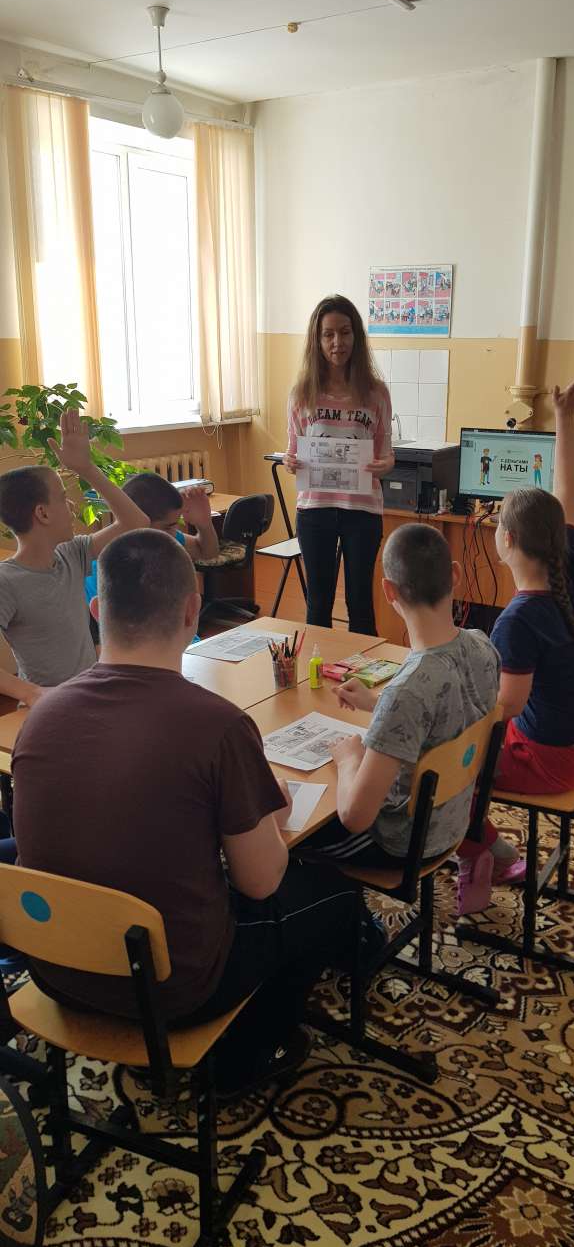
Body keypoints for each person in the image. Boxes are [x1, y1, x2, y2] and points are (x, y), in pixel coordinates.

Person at [12, 529, 372, 1097]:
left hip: (55, 972)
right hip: (173, 991)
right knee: (334, 894)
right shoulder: (217, 726)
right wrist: (272, 818)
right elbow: (260, 882)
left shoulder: (41, 717)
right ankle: (251, 1050)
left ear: (96, 610)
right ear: (191, 610)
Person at [456, 377, 574, 912]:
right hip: (573, 746)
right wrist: (564, 416)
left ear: (509, 540)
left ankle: (482, 855)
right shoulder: (570, 566)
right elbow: (567, 489)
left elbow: (503, 712)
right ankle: (492, 847)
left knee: (444, 768)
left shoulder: (518, 619)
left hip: (548, 760)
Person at [300, 524, 500, 878]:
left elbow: (355, 817)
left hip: (402, 843)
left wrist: (349, 758)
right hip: (454, 822)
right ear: (455, 574)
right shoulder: (482, 644)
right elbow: (445, 713)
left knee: (296, 830)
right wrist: (377, 703)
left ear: (388, 590)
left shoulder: (407, 691)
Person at [0, 410, 148, 706]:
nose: (70, 505)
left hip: (88, 693)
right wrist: (31, 693)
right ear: (42, 513)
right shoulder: (7, 581)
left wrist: (87, 468)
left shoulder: (70, 554)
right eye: (61, 497)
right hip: (51, 707)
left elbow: (137, 522)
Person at [284, 294, 394, 634]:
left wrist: (384, 465)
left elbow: (387, 454)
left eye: (345, 333)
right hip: (314, 510)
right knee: (318, 603)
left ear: (356, 336)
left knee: (360, 603)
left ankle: (364, 668)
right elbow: (292, 451)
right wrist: (290, 461)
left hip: (362, 511)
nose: (337, 342)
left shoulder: (376, 393)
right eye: (328, 334)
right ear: (317, 341)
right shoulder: (301, 393)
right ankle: (318, 666)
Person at [83, 472, 220, 603]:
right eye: (168, 526)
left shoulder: (163, 538)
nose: (174, 533)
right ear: (139, 522)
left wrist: (204, 524)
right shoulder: (104, 564)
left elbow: (207, 552)